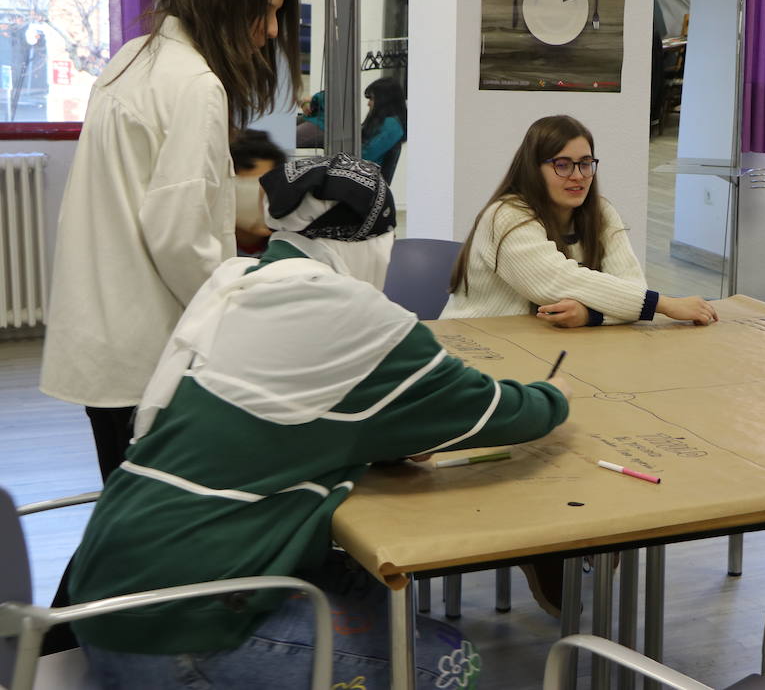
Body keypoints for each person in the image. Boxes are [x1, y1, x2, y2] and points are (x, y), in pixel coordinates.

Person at [67, 153, 571, 689]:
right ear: (376, 242)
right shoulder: (352, 315)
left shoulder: (236, 285)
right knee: (454, 663)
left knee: (368, 588)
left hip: (111, 589)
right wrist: (554, 395)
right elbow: (496, 410)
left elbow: (291, 422)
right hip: (183, 630)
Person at [40, 0, 300, 482]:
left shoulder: (134, 57)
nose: (274, 31)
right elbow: (178, 236)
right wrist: (240, 306)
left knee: (128, 514)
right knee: (155, 538)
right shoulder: (195, 84)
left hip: (105, 334)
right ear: (225, 1)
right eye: (266, 11)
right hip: (146, 347)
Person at [443, 114, 718, 328]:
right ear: (533, 169)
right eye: (562, 165)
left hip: (547, 346)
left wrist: (590, 316)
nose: (578, 175)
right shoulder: (505, 216)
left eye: (585, 163)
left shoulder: (601, 212)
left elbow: (632, 287)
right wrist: (664, 305)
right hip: (477, 346)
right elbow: (558, 281)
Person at [229, 128, 287, 255]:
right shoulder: (204, 247)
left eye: (271, 187)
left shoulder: (293, 247)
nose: (265, 199)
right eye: (253, 187)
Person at [361, 76, 407, 179]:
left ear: (383, 100)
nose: (368, 104)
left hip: (368, 184)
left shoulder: (392, 126)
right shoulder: (387, 124)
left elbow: (365, 156)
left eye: (372, 99)